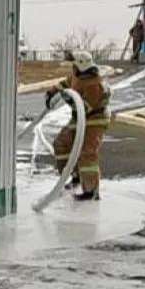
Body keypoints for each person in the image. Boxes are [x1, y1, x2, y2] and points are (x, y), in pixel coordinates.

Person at [45, 51, 111, 201]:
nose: (73, 68)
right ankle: (74, 175)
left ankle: (91, 190)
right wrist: (52, 92)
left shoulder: (95, 84)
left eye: (74, 65)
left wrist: (68, 99)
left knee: (87, 152)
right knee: (61, 143)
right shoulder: (77, 76)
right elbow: (66, 83)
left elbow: (85, 107)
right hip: (79, 119)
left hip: (95, 120)